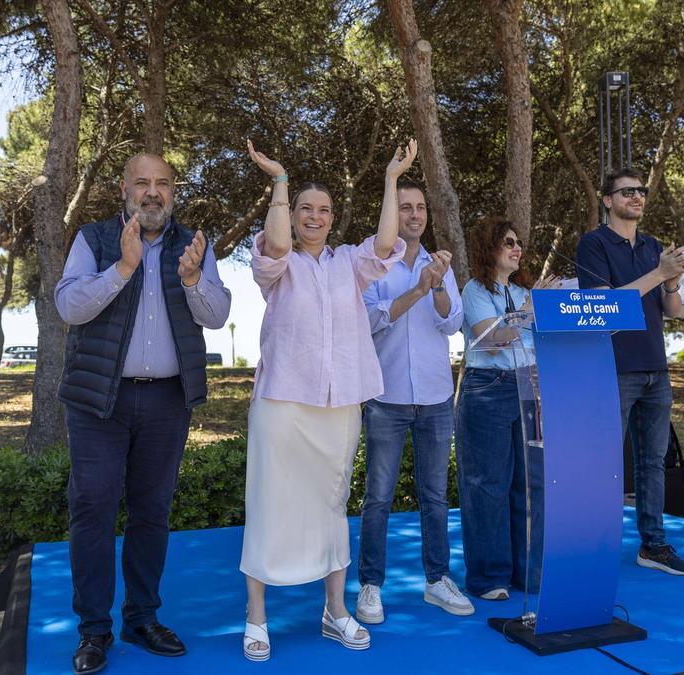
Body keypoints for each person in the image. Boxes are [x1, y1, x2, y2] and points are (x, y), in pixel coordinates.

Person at [54, 152, 231, 675]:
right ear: (124, 189)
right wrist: (124, 268)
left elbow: (218, 316)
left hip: (166, 401)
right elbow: (69, 307)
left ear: (173, 191)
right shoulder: (94, 239)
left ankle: (142, 616)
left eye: (162, 183)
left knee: (152, 512)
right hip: (98, 401)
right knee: (94, 510)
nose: (152, 192)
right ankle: (93, 630)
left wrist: (195, 278)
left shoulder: (195, 243)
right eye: (142, 183)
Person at [239, 139, 412, 661]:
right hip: (282, 402)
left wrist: (390, 178)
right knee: (268, 502)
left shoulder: (348, 263)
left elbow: (385, 244)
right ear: (292, 216)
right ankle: (256, 618)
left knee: (332, 505)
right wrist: (280, 181)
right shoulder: (278, 259)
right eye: (304, 211)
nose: (314, 218)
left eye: (323, 210)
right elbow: (273, 245)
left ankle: (336, 611)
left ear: (333, 218)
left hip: (339, 406)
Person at [354, 181, 473, 624]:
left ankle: (437, 580)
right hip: (386, 398)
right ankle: (370, 586)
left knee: (436, 497)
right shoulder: (372, 266)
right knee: (378, 498)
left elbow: (453, 322)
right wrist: (418, 291)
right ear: (391, 214)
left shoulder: (438, 264)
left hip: (436, 397)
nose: (415, 215)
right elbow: (367, 321)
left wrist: (437, 286)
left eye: (420, 208)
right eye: (405, 207)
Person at [574, 167, 684, 576]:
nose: (637, 197)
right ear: (607, 200)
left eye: (641, 191)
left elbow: (672, 311)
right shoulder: (593, 245)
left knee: (653, 461)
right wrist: (659, 274)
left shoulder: (653, 247)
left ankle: (654, 545)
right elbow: (604, 306)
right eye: (627, 192)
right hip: (613, 368)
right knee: (606, 459)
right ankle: (595, 544)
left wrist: (672, 282)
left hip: (655, 368)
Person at [455, 218, 558, 600]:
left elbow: (536, 341)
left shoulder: (523, 291)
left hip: (528, 386)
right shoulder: (475, 290)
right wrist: (530, 309)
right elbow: (492, 340)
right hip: (489, 389)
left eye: (519, 243)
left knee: (528, 485)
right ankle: (489, 577)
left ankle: (527, 572)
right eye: (508, 242)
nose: (517, 248)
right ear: (490, 247)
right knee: (488, 486)